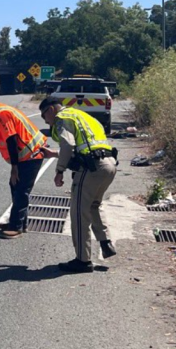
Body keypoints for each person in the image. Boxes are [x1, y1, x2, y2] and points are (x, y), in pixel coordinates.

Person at [38, 97, 118, 273]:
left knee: (78, 214)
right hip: (109, 164)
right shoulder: (82, 115)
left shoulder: (62, 117)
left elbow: (68, 144)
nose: (46, 121)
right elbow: (84, 146)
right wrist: (54, 154)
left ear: (51, 110)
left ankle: (83, 260)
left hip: (91, 169)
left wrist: (59, 170)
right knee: (94, 206)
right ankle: (105, 242)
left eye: (45, 117)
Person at [0, 90, 47, 238]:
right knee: (16, 187)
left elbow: (11, 141)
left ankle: (16, 226)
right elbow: (1, 140)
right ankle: (18, 222)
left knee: (20, 190)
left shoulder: (1, 114)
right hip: (27, 156)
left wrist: (14, 168)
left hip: (31, 155)